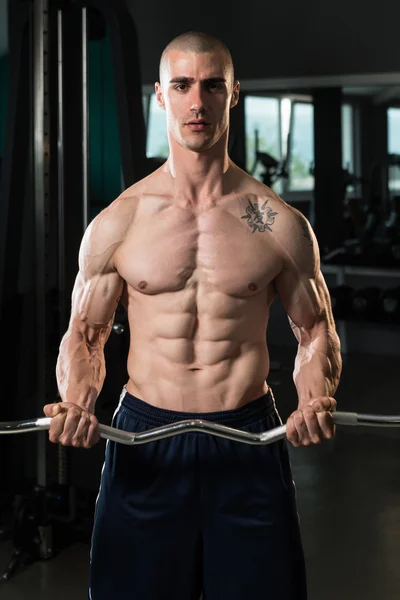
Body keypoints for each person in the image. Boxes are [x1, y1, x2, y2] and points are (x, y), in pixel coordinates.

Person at [44, 31, 342, 600]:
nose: (196, 103)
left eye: (211, 86)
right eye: (181, 86)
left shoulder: (277, 223)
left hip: (248, 439)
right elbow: (86, 333)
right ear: (161, 96)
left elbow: (314, 330)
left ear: (233, 94)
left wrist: (314, 399)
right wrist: (79, 404)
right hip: (144, 441)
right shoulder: (121, 221)